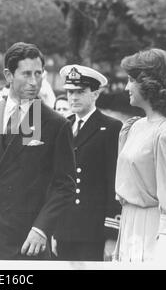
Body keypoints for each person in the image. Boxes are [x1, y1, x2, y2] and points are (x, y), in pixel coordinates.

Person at [0, 42, 76, 260]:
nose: (34, 82)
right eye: (26, 74)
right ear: (8, 75)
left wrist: (41, 229)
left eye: (38, 73)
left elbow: (65, 186)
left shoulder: (56, 124)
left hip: (26, 243)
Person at [114, 48, 166, 262]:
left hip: (153, 231)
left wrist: (162, 258)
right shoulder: (132, 127)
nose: (126, 87)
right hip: (128, 224)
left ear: (151, 83)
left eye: (132, 80)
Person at [52, 65, 122, 261]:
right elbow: (57, 181)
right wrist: (54, 229)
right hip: (64, 228)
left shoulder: (110, 128)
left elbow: (115, 183)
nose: (73, 97)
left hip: (94, 232)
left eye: (80, 92)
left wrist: (111, 236)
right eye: (70, 92)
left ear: (95, 94)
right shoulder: (63, 125)